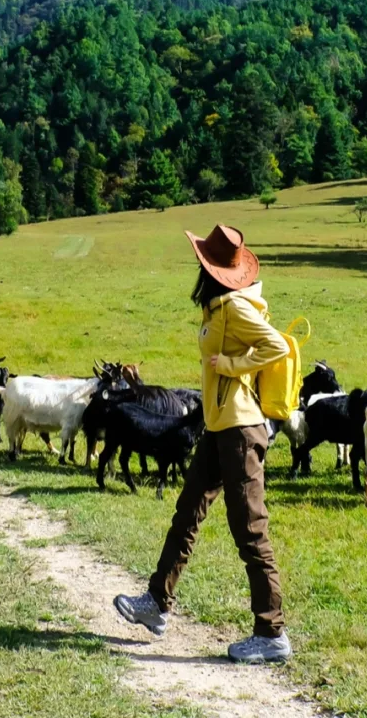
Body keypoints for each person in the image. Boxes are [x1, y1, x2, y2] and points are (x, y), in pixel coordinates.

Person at [113, 222, 292, 664]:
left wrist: (230, 365)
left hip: (240, 432)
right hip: (218, 428)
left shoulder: (235, 307)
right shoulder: (217, 307)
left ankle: (271, 633)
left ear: (208, 269)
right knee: (187, 513)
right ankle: (156, 603)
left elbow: (277, 347)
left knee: (250, 532)